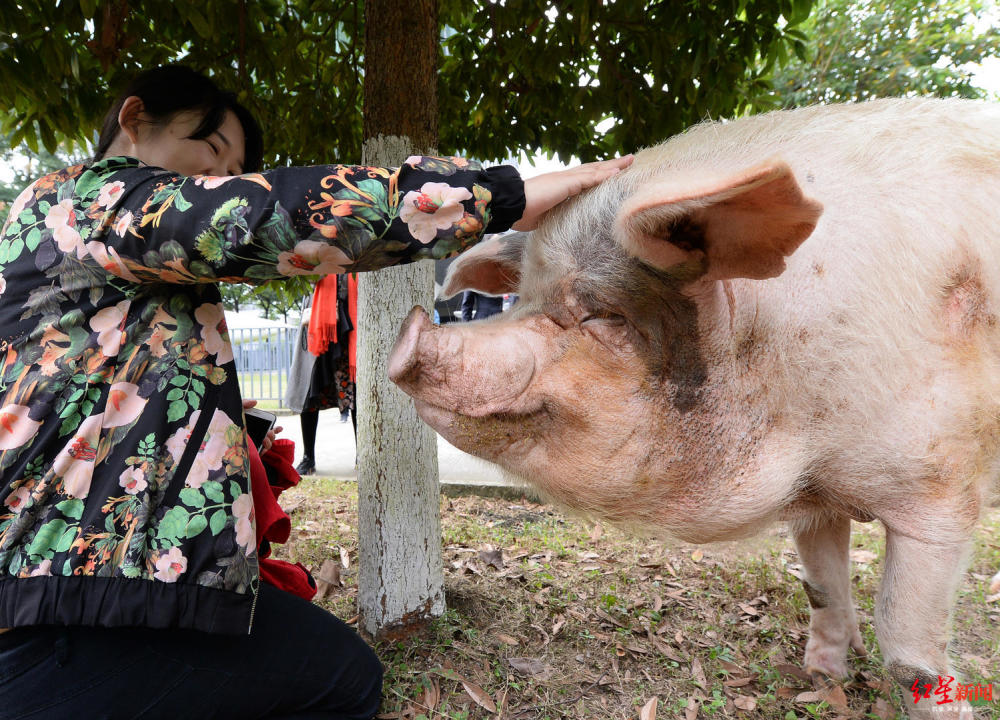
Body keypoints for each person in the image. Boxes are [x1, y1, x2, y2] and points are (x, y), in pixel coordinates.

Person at [0, 64, 631, 719]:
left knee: (338, 672)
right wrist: (502, 195)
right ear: (134, 120)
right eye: (214, 153)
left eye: (237, 168)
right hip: (65, 604)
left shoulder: (100, 247)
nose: (221, 180)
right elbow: (274, 213)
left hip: (95, 583)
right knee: (341, 681)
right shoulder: (89, 200)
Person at [285, 272, 358, 475]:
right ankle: (308, 457)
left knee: (357, 390)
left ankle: (364, 454)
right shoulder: (316, 247)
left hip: (353, 321)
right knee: (310, 388)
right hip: (317, 321)